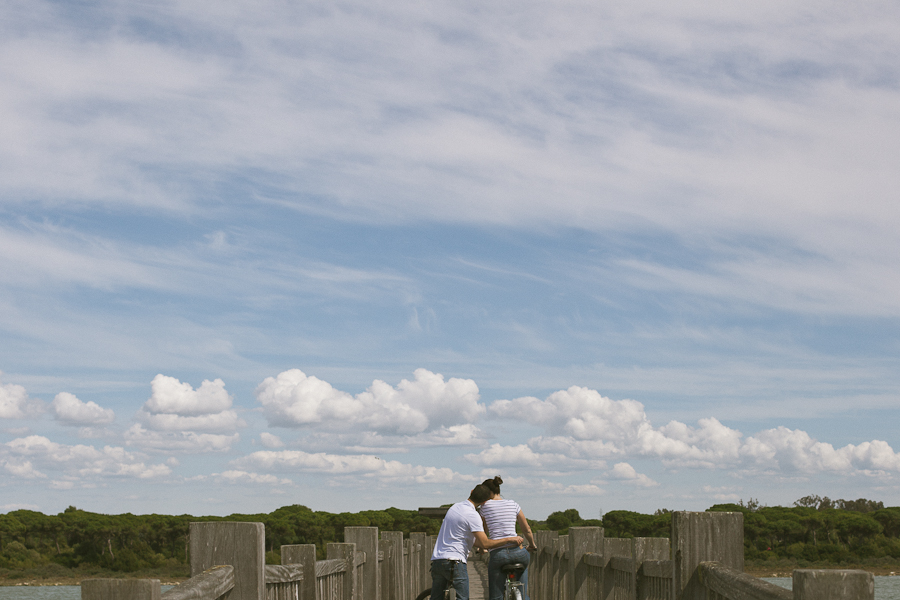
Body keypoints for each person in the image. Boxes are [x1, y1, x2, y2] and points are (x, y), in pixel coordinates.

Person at [430, 484, 524, 600]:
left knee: (436, 597)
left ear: (472, 491)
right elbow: (485, 543)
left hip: (437, 560)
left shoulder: (455, 507)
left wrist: (481, 546)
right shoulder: (473, 515)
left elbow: (467, 539)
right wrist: (509, 539)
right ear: (484, 502)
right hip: (454, 562)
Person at [479, 476, 536, 600]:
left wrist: (482, 548)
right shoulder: (513, 504)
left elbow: (483, 531)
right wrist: (532, 544)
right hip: (518, 551)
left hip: (498, 554)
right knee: (523, 589)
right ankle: (523, 595)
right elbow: (526, 529)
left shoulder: (485, 507)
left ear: (488, 492)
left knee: (496, 597)